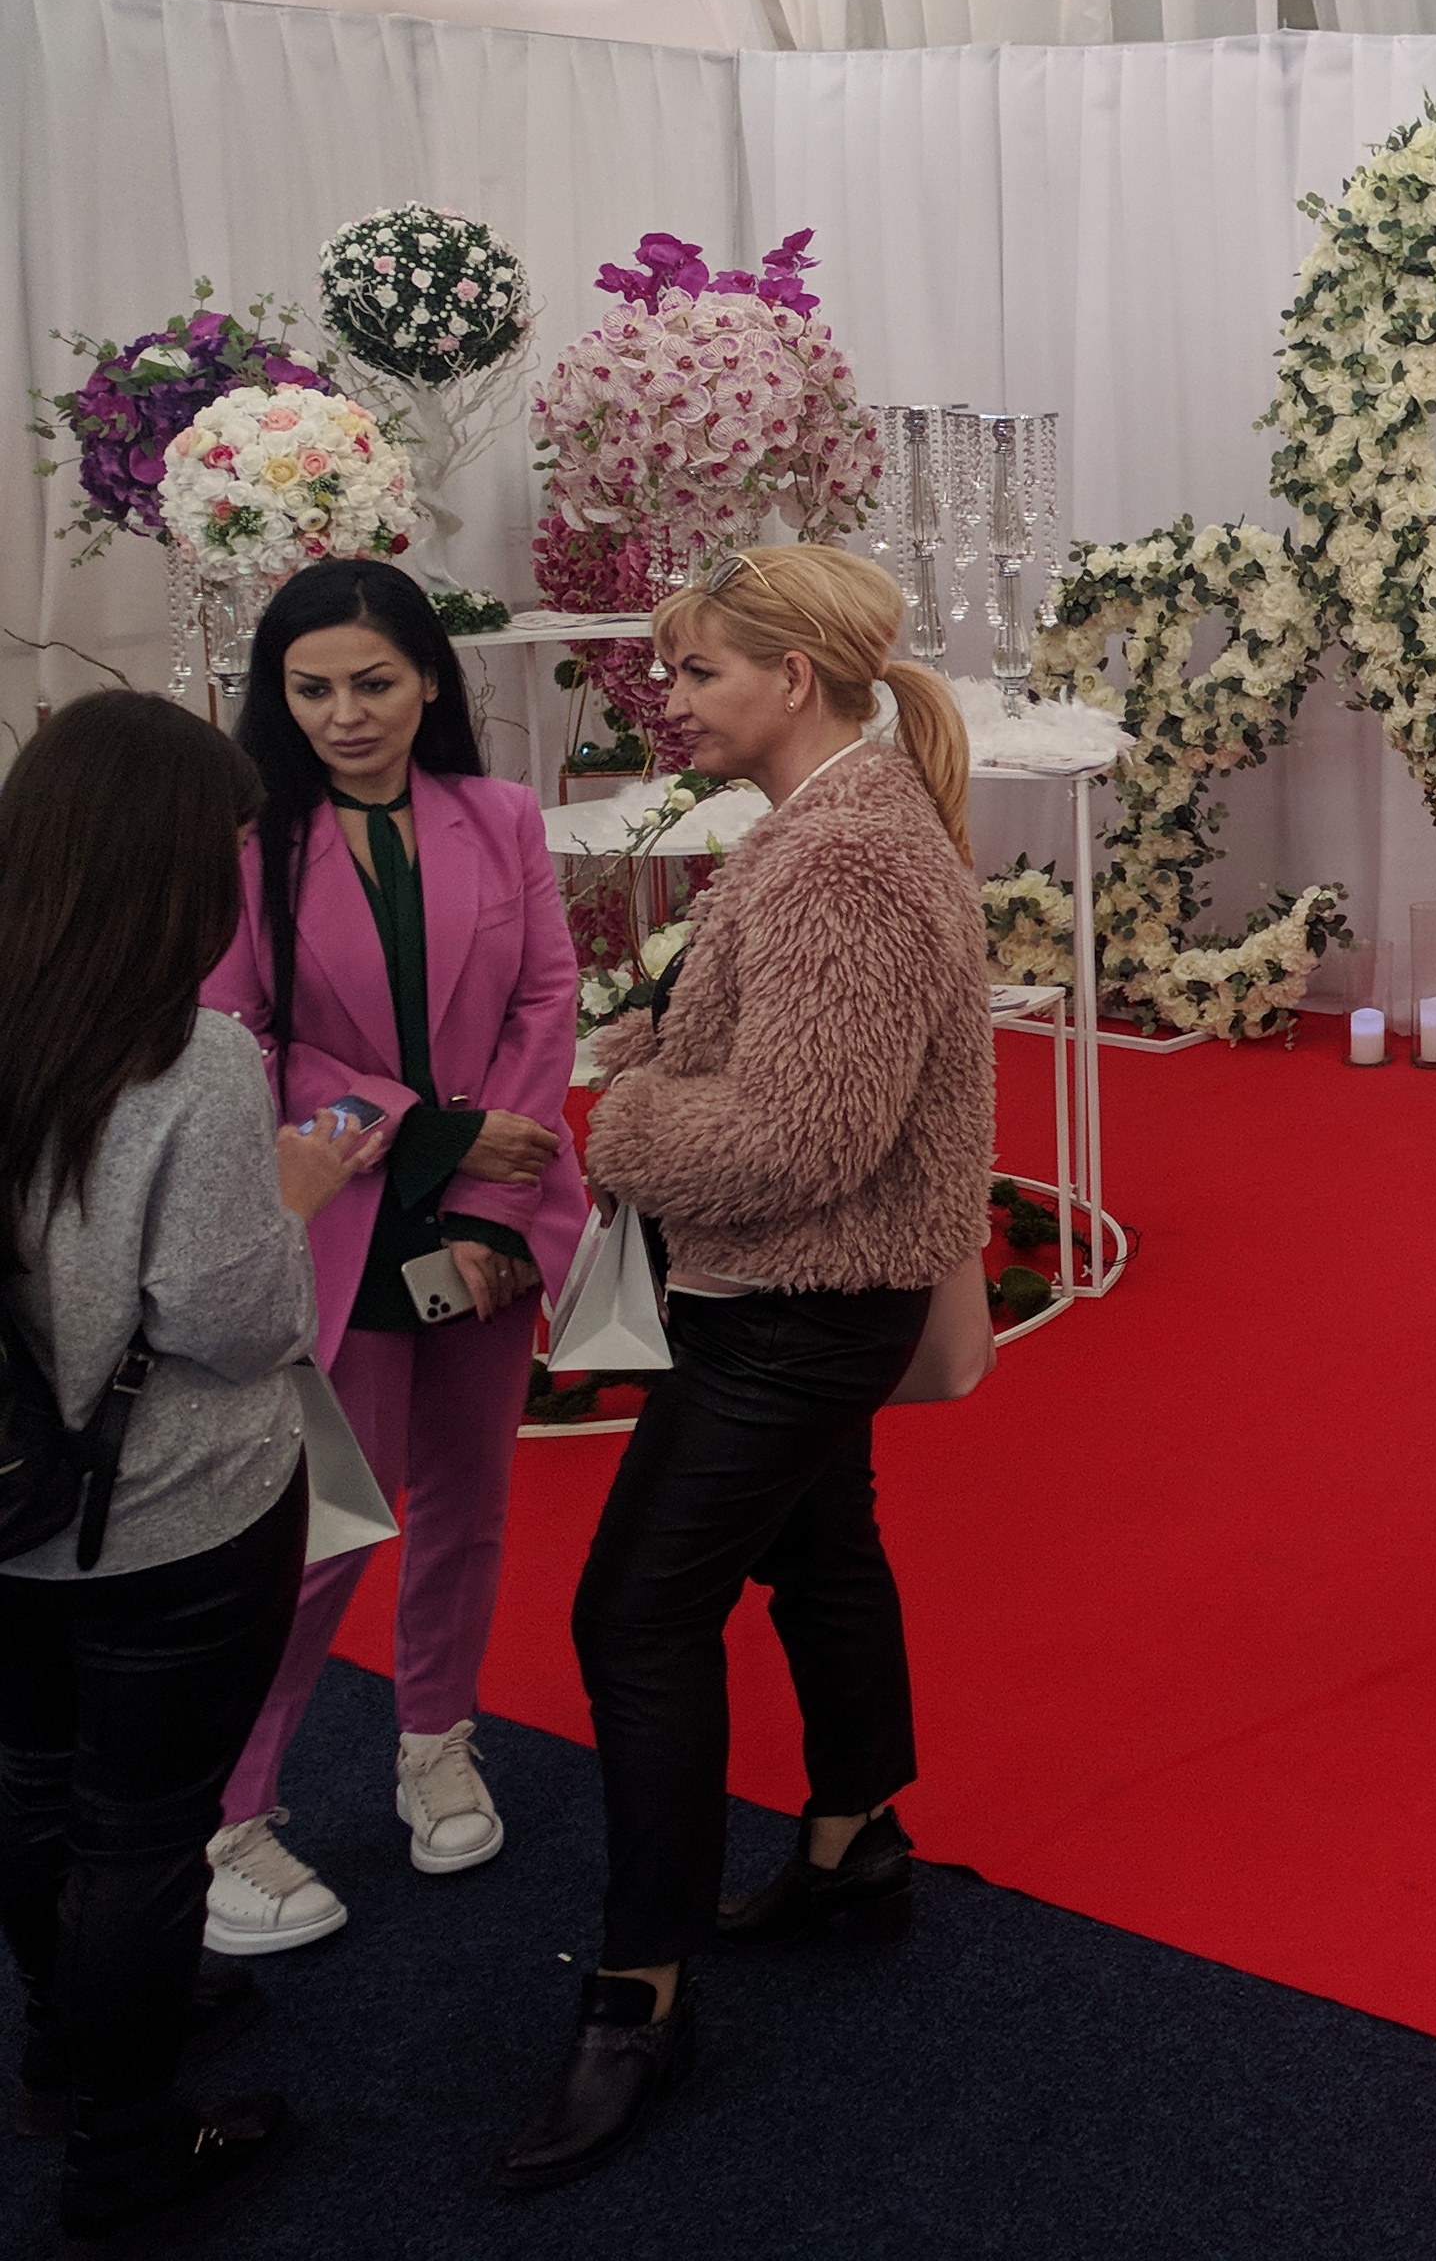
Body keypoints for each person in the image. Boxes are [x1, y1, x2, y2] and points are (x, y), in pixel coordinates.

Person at [505, 545, 989, 2191]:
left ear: (794, 677)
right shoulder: (839, 823)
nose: (670, 698)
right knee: (821, 1547)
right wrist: (666, 1042)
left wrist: (624, 1116)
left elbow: (803, 1136)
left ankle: (639, 1995)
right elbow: (805, 1068)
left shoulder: (838, 852)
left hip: (796, 1301)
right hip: (815, 1292)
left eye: (699, 670)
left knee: (633, 1616)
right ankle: (853, 1839)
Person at [0, 691, 385, 2240]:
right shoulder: (191, 1059)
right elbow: (231, 1322)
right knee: (145, 1830)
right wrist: (292, 1193)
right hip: (167, 1511)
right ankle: (125, 2149)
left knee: (34, 1787)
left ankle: (64, 2046)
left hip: (12, 1503)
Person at [200, 560, 587, 1955]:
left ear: (429, 678)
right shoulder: (251, 843)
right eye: (311, 689)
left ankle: (436, 1738)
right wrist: (417, 1129)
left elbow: (546, 996)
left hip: (493, 1209)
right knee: (326, 1524)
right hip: (347, 1210)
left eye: (372, 682)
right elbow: (239, 1044)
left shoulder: (500, 815)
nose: (345, 714)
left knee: (470, 1503)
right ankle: (226, 1813)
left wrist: (487, 1193)